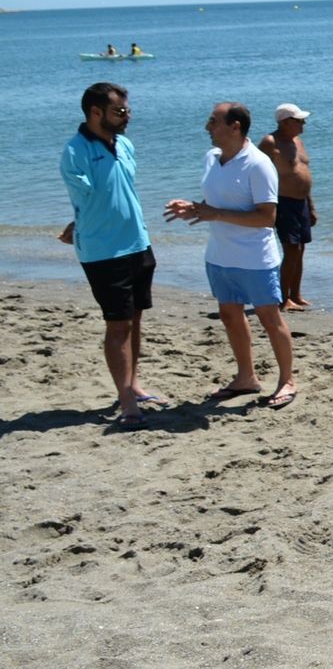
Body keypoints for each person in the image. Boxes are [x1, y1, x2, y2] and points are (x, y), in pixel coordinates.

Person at [163, 102, 298, 409]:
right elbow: (216, 204)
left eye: (213, 121)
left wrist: (215, 213)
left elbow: (267, 217)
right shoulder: (212, 158)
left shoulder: (258, 164)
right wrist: (194, 209)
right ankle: (246, 378)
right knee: (229, 315)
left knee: (269, 318)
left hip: (255, 258)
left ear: (235, 127)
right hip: (219, 255)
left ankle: (287, 380)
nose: (207, 127)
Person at [58, 82, 161, 427]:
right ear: (95, 113)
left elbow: (118, 192)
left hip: (138, 242)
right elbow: (86, 200)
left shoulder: (126, 144)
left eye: (127, 110)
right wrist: (77, 225)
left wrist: (75, 221)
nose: (127, 116)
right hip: (103, 251)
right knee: (117, 325)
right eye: (120, 111)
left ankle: (133, 382)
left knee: (135, 319)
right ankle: (126, 399)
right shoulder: (75, 152)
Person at [258, 103, 316, 310]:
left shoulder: (297, 142)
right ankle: (283, 298)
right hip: (283, 201)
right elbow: (255, 171)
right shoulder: (270, 142)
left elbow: (303, 173)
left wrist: (311, 205)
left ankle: (295, 294)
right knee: (291, 250)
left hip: (301, 202)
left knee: (300, 250)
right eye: (299, 120)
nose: (304, 124)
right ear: (285, 122)